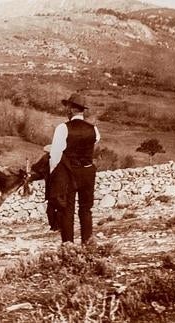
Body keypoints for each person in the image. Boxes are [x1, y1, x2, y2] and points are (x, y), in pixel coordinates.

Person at [48, 93, 100, 244]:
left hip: (69, 173)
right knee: (86, 209)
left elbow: (55, 154)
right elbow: (95, 142)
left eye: (67, 107)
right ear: (82, 111)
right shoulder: (94, 129)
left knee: (67, 210)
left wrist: (53, 174)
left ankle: (68, 245)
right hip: (88, 171)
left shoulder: (63, 128)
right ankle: (87, 243)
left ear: (70, 109)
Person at [30, 145, 58, 231]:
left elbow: (36, 168)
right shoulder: (60, 158)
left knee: (51, 206)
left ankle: (54, 226)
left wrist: (31, 174)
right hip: (62, 185)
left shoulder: (46, 158)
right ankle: (58, 225)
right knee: (60, 206)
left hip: (52, 185)